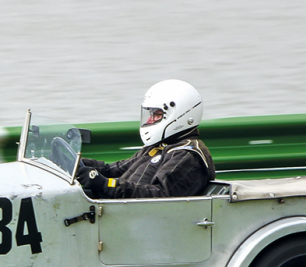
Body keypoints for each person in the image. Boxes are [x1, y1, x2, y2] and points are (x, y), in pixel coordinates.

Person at [76, 79, 215, 199]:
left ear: (181, 115)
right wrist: (78, 164)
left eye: (157, 115)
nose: (149, 120)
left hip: (141, 217)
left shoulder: (187, 155)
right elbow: (114, 170)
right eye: (150, 115)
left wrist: (107, 185)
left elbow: (162, 197)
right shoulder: (157, 148)